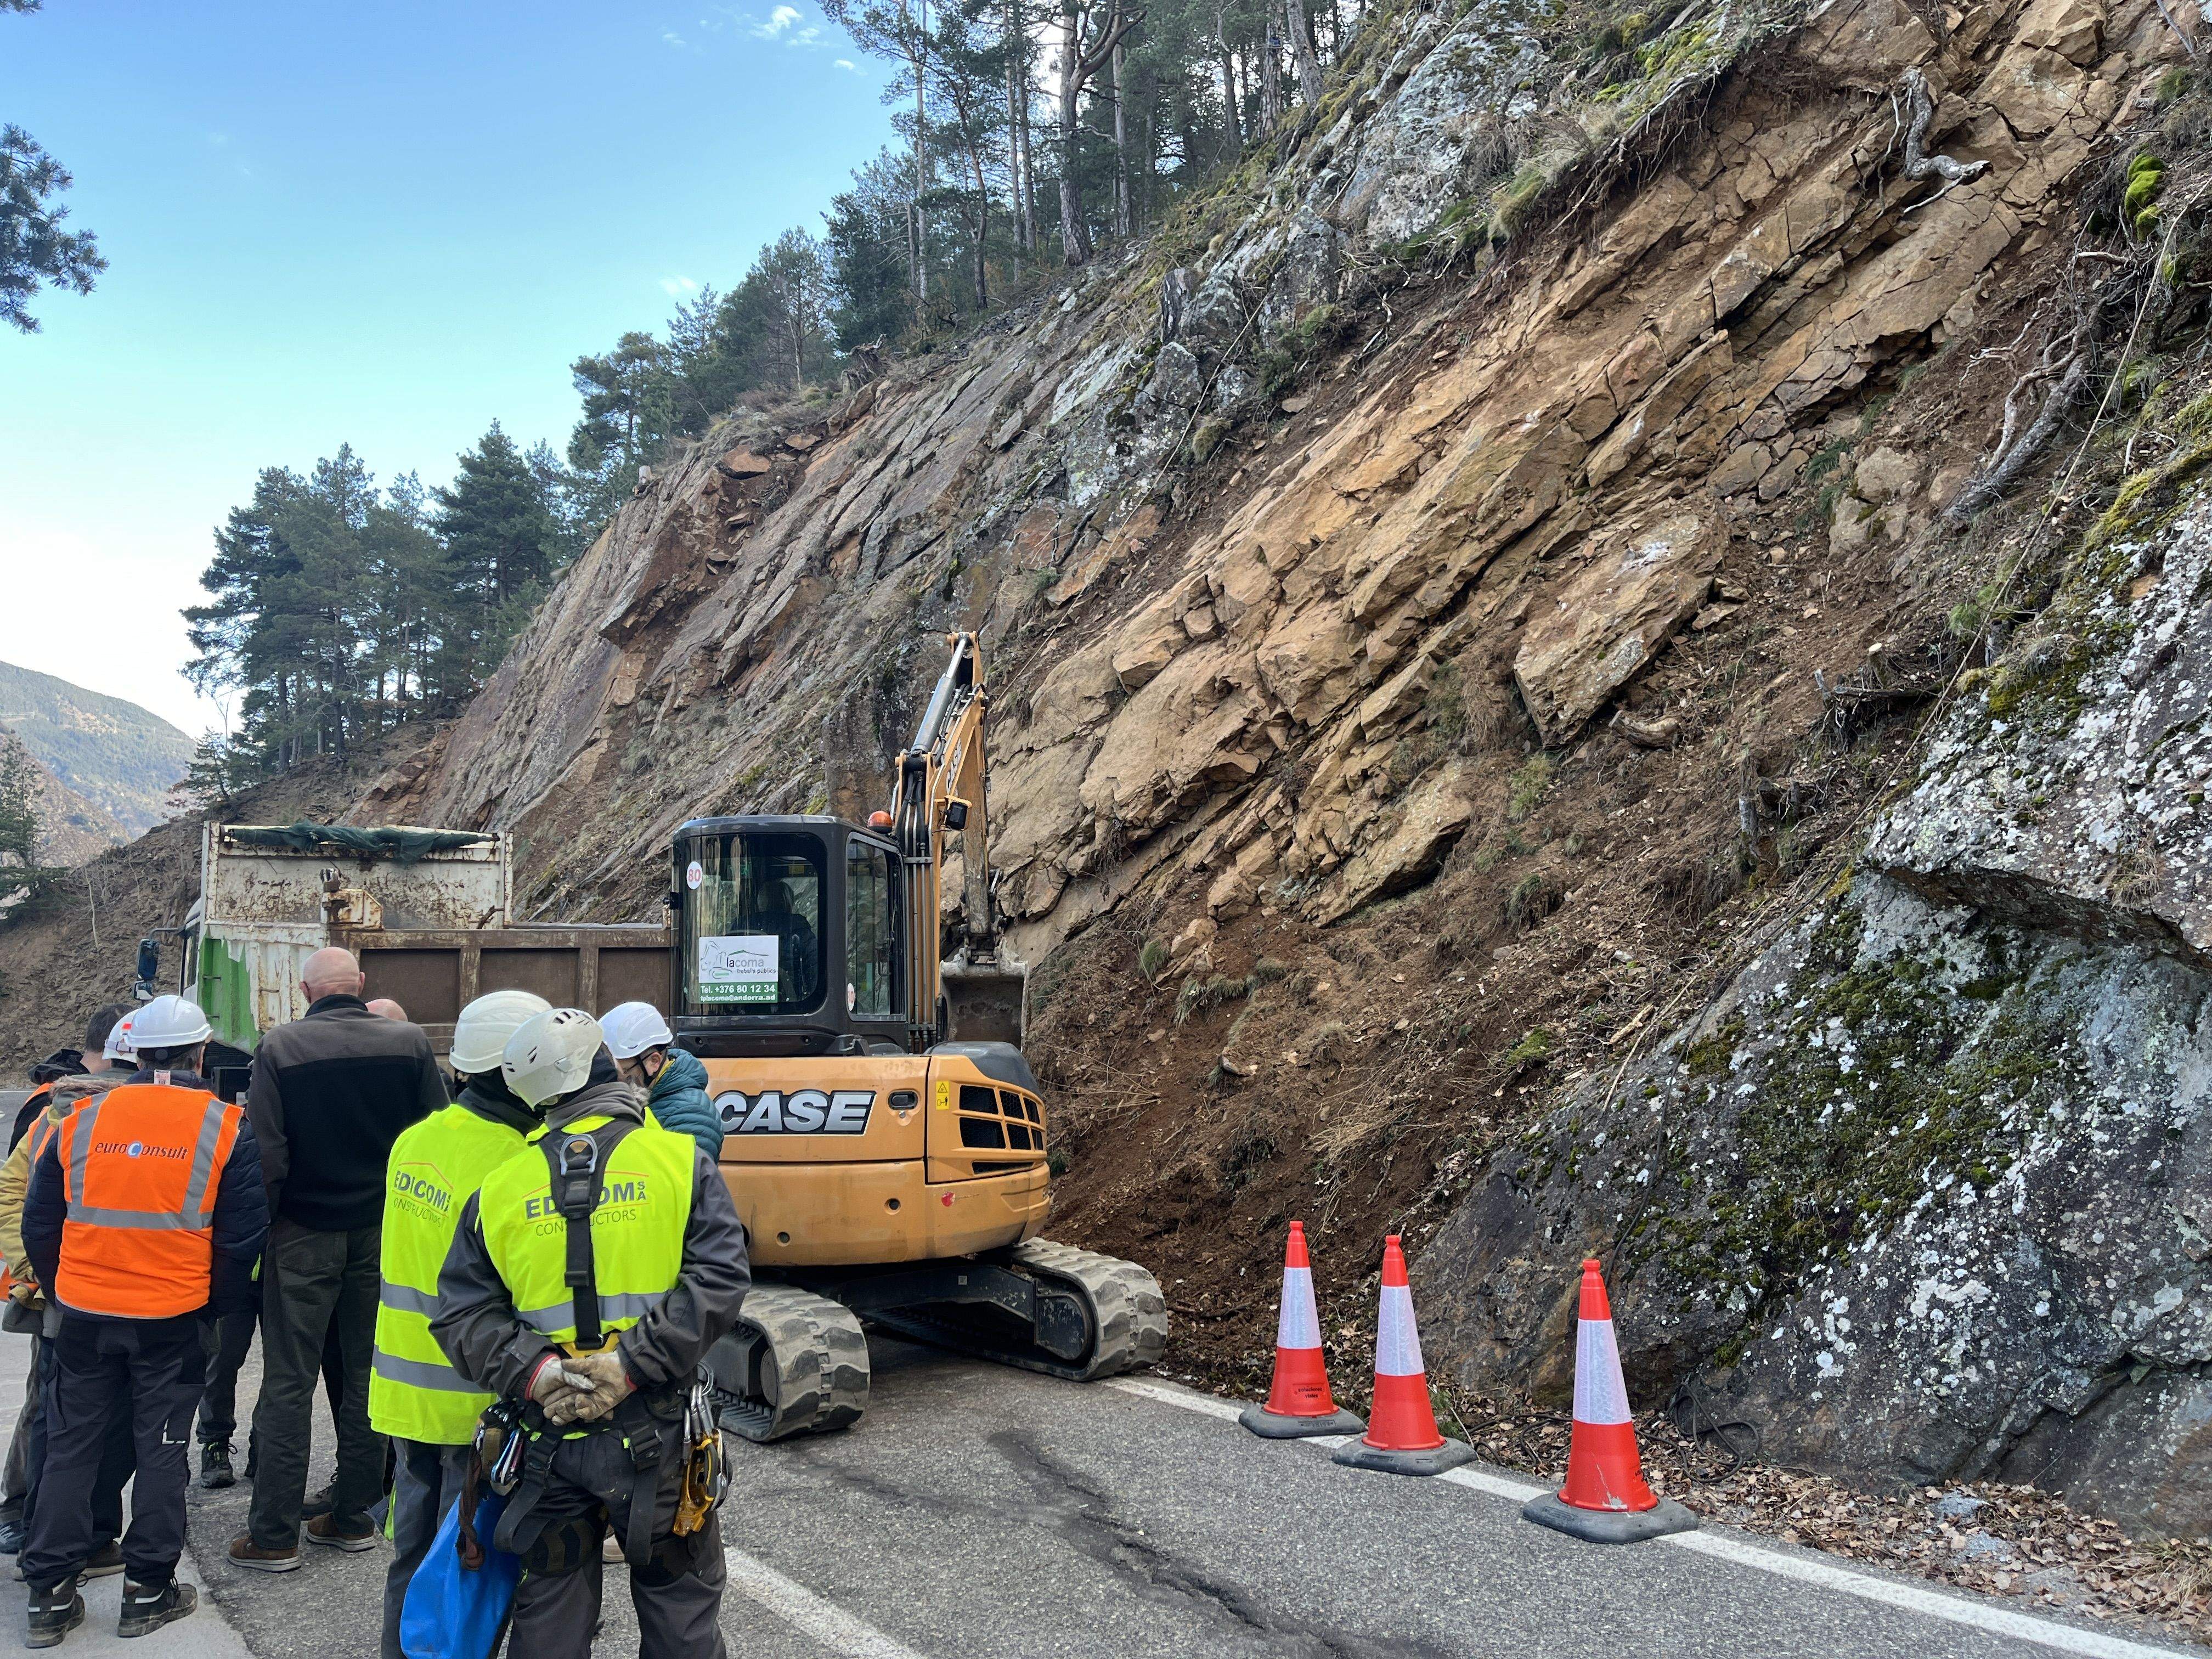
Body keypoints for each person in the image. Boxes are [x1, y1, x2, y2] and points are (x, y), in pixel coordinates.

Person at [432, 1008, 749, 1659]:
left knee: (550, 1614)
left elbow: (461, 1315)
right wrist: (630, 1364)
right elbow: (719, 1279)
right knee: (681, 1612)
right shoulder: (679, 1163)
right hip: (659, 1434)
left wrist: (539, 1373)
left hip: (548, 1441)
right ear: (606, 1067)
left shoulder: (499, 1190)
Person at [19, 996, 267, 1646]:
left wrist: (62, 1289)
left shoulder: (80, 1119)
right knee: (162, 1452)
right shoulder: (225, 1127)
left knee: (71, 1446)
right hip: (172, 1320)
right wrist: (210, 1309)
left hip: (82, 1316)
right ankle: (148, 1590)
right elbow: (241, 1243)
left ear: (130, 1052)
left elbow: (40, 1223)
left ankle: (49, 1595)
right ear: (202, 1054)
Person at [229, 947, 445, 1573]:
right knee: (365, 1378)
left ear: (303, 991)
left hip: (301, 1234)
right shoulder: (409, 1045)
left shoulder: (280, 1049)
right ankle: (354, 1517)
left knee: (288, 1382)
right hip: (382, 1235)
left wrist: (261, 1235)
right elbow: (434, 1138)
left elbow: (266, 1153)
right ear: (362, 985)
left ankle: (273, 1534)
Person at [369, 989, 548, 1659]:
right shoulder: (518, 1162)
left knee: (412, 1564)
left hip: (405, 1397)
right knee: (476, 1573)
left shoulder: (414, 1142)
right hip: (482, 1408)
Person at [0, 1005, 137, 1556]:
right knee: (49, 1409)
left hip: (83, 1292)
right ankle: (26, 1513)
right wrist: (37, 1273)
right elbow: (17, 1196)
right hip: (60, 1294)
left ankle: (71, 1528)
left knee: (67, 1412)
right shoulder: (51, 1107)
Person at [600, 1003, 722, 1161]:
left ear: (654, 1061)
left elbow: (680, 1178)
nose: (620, 1079)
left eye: (626, 1071)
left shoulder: (691, 1115)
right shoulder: (653, 1096)